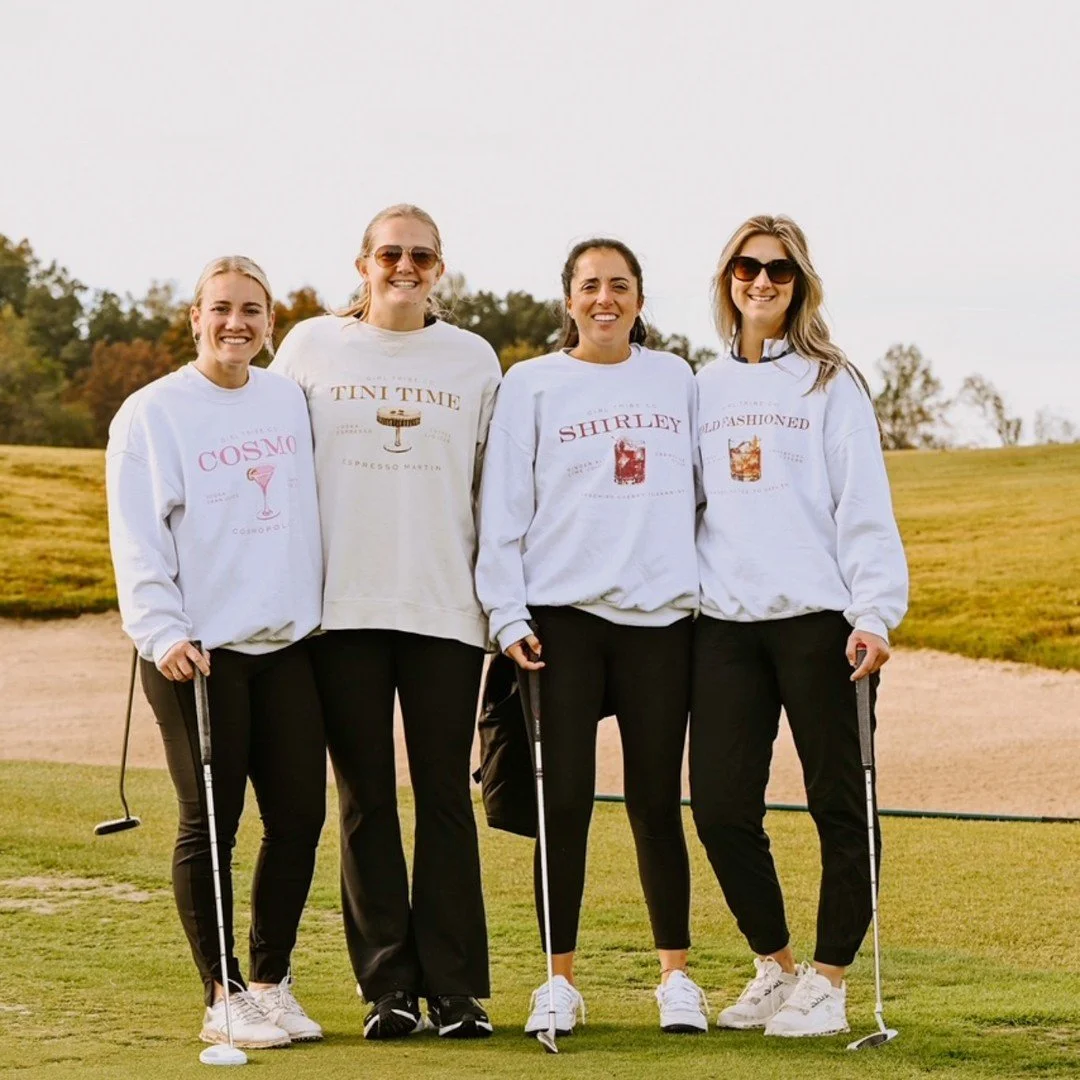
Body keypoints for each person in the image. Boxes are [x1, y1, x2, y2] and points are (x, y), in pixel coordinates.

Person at [270, 205, 501, 1040]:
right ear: (362, 262)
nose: (406, 267)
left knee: (444, 795)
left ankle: (456, 990)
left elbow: (490, 487)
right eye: (391, 254)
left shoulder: (473, 358)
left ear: (442, 268)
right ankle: (388, 989)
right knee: (366, 798)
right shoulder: (307, 347)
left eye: (423, 256)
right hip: (342, 611)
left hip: (443, 606)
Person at [476, 238, 708, 1038]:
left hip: (659, 624)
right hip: (559, 623)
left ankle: (675, 979)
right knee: (563, 801)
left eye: (620, 285)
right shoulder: (531, 384)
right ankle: (557, 982)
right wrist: (507, 615)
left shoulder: (677, 377)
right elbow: (501, 513)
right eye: (589, 286)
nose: (604, 299)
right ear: (567, 300)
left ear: (640, 299)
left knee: (654, 801)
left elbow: (708, 497)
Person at [690, 215, 909, 1037]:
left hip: (822, 624)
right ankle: (776, 969)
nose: (762, 282)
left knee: (840, 807)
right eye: (747, 268)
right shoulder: (700, 386)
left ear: (799, 283)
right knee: (718, 807)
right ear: (728, 281)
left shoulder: (830, 382)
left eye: (778, 270)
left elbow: (865, 505)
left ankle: (831, 981)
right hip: (726, 628)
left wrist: (876, 611)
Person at [106, 256, 326, 1049]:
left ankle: (269, 983)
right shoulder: (152, 412)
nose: (238, 323)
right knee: (212, 822)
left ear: (271, 324)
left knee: (300, 815)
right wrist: (162, 632)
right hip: (196, 652)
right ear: (194, 318)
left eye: (253, 311)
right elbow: (136, 536)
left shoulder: (287, 400)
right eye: (222, 309)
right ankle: (221, 992)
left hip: (287, 644)